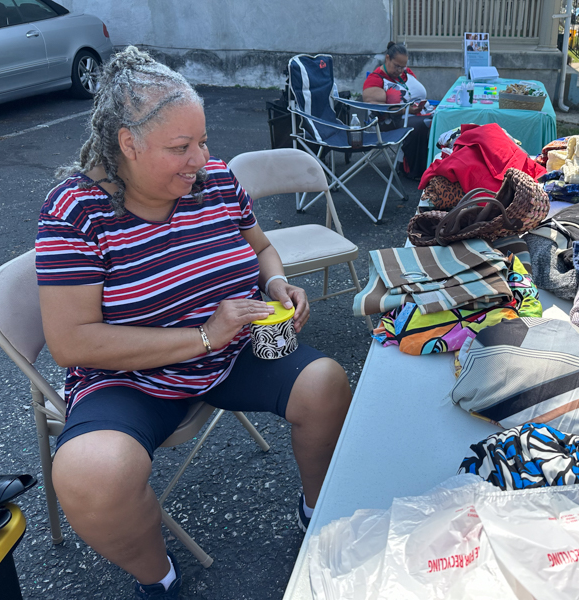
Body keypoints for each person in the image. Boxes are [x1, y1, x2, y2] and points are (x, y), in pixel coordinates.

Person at [35, 46, 351, 600]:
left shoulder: (217, 183)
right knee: (90, 474)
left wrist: (276, 284)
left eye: (202, 141)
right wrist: (204, 334)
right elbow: (70, 342)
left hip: (229, 355)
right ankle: (157, 577)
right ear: (127, 145)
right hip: (132, 380)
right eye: (181, 147)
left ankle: (314, 508)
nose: (200, 159)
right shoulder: (75, 211)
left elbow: (262, 249)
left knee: (326, 383)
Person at [362, 42, 432, 181]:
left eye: (403, 66)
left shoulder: (407, 73)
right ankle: (413, 170)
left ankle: (434, 167)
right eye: (397, 66)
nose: (400, 70)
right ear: (387, 58)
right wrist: (407, 109)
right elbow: (375, 106)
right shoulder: (376, 79)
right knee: (422, 124)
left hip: (417, 111)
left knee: (438, 120)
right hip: (391, 120)